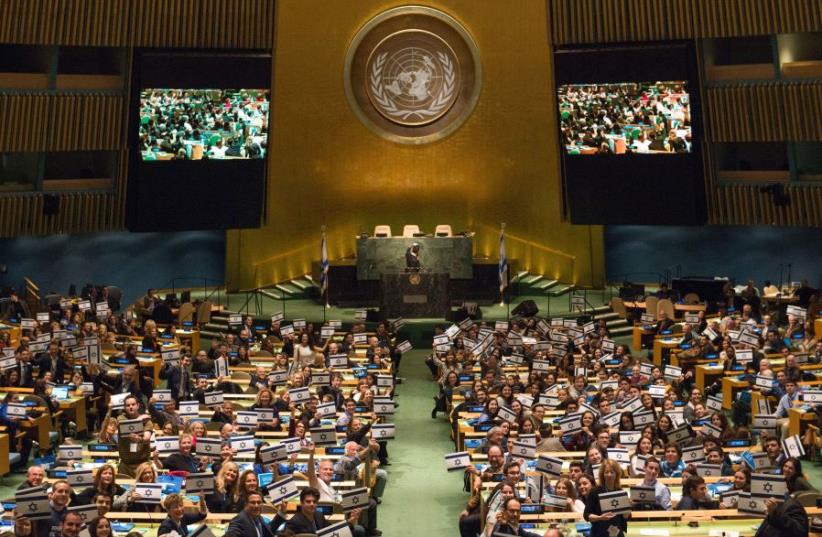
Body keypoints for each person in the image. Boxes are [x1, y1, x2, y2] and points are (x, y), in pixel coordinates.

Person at [283, 487, 363, 536]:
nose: (312, 504)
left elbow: (332, 531)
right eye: (308, 501)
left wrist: (351, 520)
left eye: (314, 502)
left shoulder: (319, 515)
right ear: (301, 503)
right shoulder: (293, 522)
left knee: (358, 530)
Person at [584, 459, 630, 537]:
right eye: (606, 472)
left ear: (617, 474)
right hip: (599, 532)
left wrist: (627, 507)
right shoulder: (595, 491)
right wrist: (600, 517)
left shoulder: (620, 491)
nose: (609, 475)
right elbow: (587, 515)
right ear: (602, 474)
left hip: (617, 532)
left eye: (612, 472)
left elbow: (626, 516)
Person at [116, 395, 152, 477]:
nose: (131, 407)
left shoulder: (147, 421)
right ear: (124, 407)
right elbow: (126, 428)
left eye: (133, 404)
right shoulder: (121, 418)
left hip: (142, 464)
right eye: (128, 405)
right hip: (125, 465)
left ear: (138, 405)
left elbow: (146, 438)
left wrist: (140, 439)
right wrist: (139, 420)